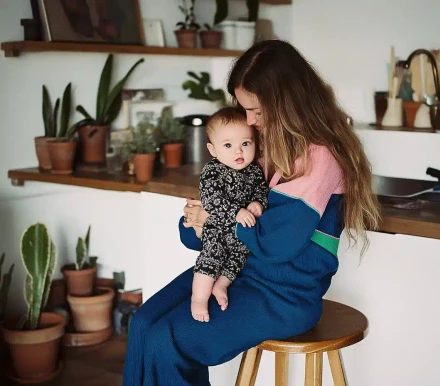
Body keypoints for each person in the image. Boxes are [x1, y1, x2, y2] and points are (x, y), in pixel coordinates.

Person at [122, 39, 381, 386]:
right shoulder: (258, 148)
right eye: (244, 109)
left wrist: (215, 219)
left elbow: (276, 243)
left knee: (167, 339)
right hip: (239, 273)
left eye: (257, 110)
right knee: (142, 324)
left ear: (289, 102)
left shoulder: (319, 158)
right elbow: (207, 232)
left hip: (283, 296)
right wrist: (195, 222)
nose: (249, 121)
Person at [191, 107, 268, 322]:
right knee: (211, 258)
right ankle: (199, 298)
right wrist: (236, 212)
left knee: (238, 259)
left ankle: (221, 286)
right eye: (228, 145)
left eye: (245, 143)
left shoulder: (254, 171)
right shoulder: (213, 171)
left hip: (241, 237)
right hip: (217, 230)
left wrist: (257, 203)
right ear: (213, 149)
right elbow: (210, 200)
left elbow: (261, 190)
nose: (238, 152)